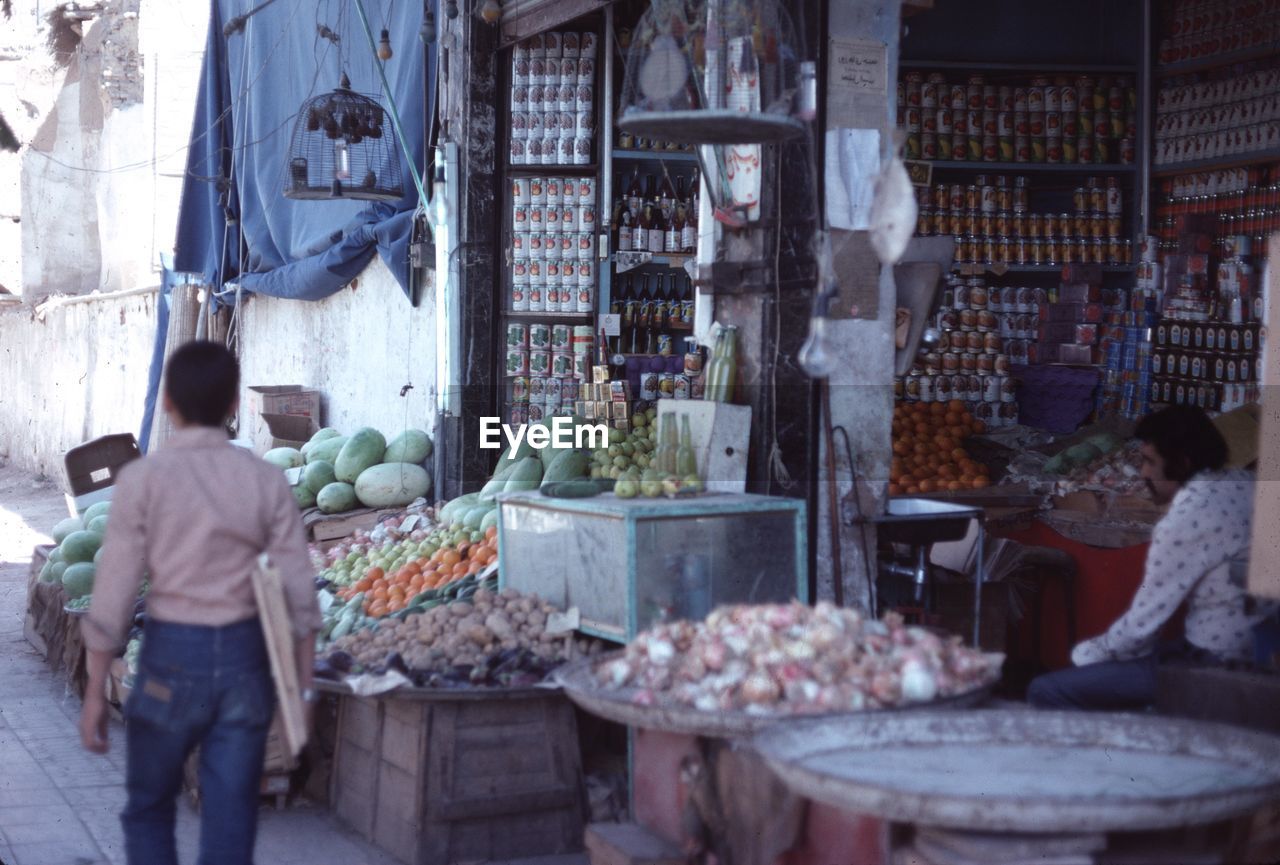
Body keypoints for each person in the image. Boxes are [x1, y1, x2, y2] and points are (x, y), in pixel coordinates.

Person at [79, 341, 322, 865]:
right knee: (231, 812)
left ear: (166, 401)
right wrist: (301, 693)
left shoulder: (142, 480)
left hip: (168, 658)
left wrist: (96, 691)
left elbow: (113, 594)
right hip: (243, 662)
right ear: (236, 403)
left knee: (148, 808)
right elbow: (301, 598)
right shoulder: (264, 479)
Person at [1027, 404, 1273, 711]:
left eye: (1149, 462)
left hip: (1217, 663)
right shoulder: (1245, 484)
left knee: (1047, 690)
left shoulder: (1187, 519)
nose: (1142, 472)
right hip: (1255, 649)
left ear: (1182, 463)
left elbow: (1139, 631)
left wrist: (1085, 656)